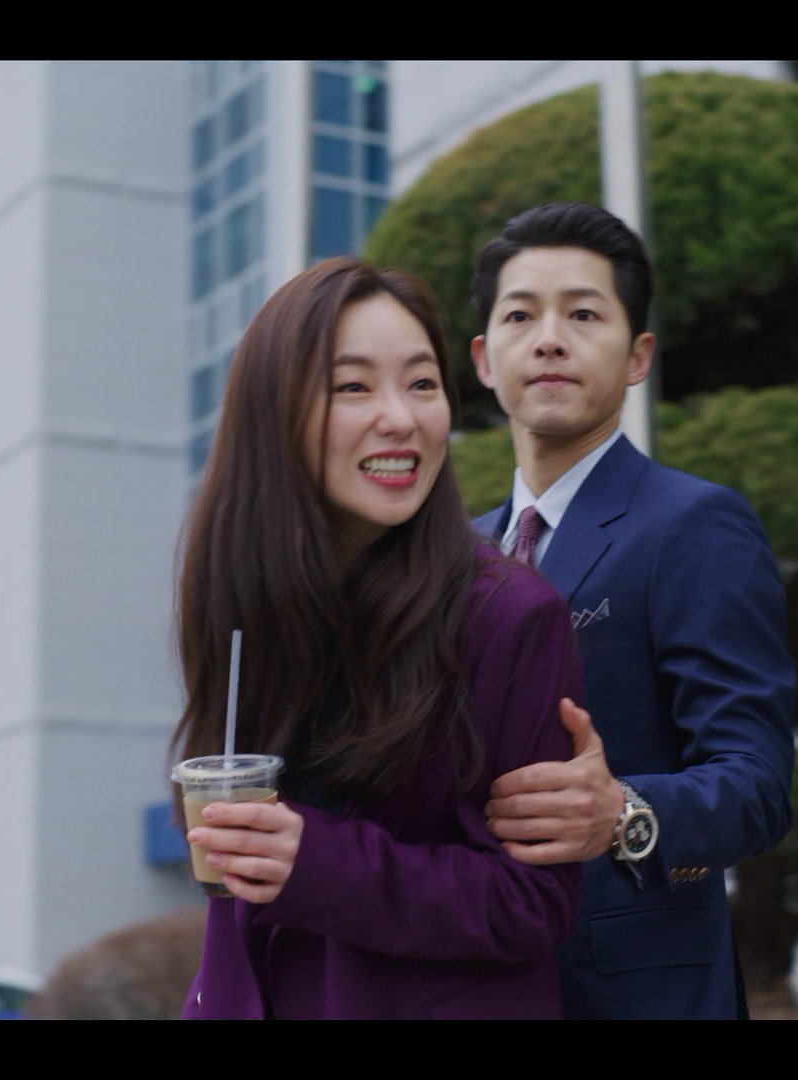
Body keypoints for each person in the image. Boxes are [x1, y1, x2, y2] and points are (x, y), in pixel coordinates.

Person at [175, 257, 584, 1019]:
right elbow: (234, 897)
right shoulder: (245, 602)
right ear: (273, 416)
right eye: (353, 387)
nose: (400, 418)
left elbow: (532, 904)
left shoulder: (509, 616)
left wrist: (318, 862)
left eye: (422, 384)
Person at [468, 203, 796, 1019]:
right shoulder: (449, 556)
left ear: (638, 354)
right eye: (520, 316)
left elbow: (756, 785)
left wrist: (622, 813)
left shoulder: (693, 524)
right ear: (483, 358)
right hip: (469, 979)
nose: (549, 339)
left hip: (636, 991)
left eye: (583, 314)